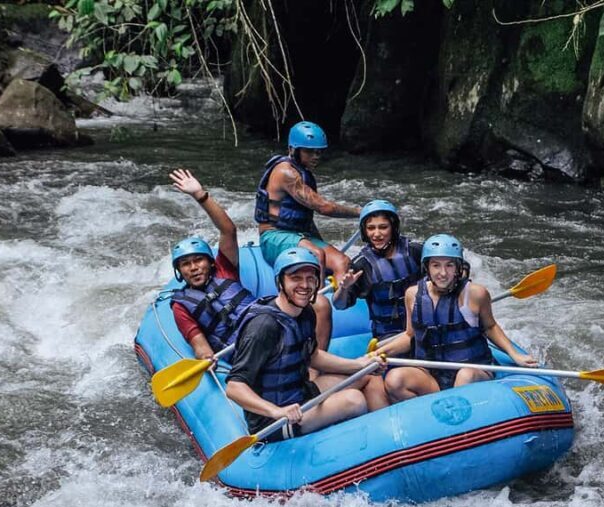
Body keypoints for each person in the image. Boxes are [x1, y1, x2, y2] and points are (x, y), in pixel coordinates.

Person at [225, 247, 389, 441]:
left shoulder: (305, 312)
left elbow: (313, 356)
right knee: (354, 400)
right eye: (296, 278)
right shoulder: (263, 327)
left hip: (300, 393)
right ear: (280, 282)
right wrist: (277, 411)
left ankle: (386, 437)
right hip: (274, 419)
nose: (305, 285)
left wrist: (360, 364)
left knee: (368, 375)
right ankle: (362, 447)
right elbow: (234, 387)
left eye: (310, 278)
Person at [168, 169, 332, 357]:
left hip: (267, 323)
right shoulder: (181, 305)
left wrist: (200, 195)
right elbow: (199, 343)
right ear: (179, 270)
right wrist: (205, 356)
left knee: (320, 303)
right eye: (185, 264)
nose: (194, 267)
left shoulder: (224, 269)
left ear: (211, 263)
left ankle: (314, 369)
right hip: (244, 350)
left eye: (198, 260)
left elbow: (228, 230)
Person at [378, 234, 538, 402]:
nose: (443, 273)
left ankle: (460, 415)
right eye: (436, 265)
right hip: (431, 374)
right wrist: (380, 352)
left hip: (472, 370)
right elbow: (410, 335)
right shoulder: (412, 294)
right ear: (427, 267)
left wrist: (514, 354)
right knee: (395, 380)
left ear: (458, 268)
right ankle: (432, 414)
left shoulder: (475, 294)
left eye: (449, 265)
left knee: (465, 375)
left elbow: (490, 327)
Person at [254, 121, 360, 282]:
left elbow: (304, 218)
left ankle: (339, 303)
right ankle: (316, 302)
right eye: (309, 151)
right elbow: (325, 208)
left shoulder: (303, 173)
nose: (315, 156)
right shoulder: (286, 173)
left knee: (342, 262)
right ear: (292, 149)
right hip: (274, 236)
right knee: (317, 254)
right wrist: (361, 212)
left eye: (318, 152)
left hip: (299, 235)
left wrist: (321, 242)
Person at [332, 200, 423, 347]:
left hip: (423, 324)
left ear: (393, 228)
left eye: (383, 227)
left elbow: (455, 267)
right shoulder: (362, 264)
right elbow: (340, 305)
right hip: (389, 334)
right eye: (371, 228)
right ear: (364, 231)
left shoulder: (415, 251)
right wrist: (344, 288)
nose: (376, 234)